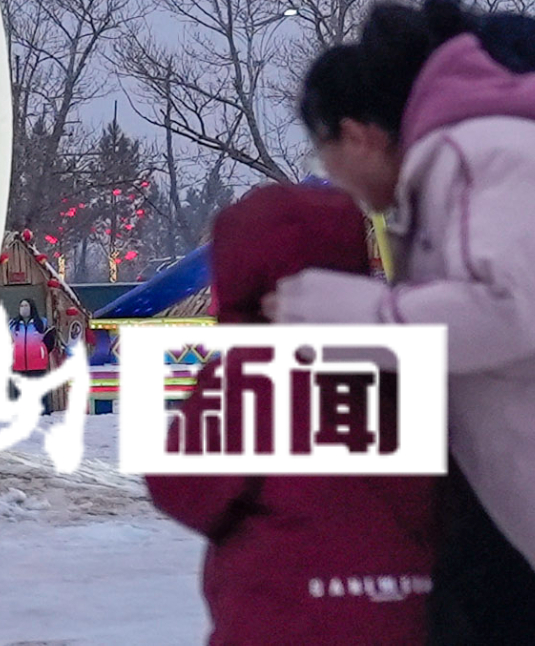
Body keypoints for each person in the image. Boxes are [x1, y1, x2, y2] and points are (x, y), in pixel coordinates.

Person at [269, 0, 535, 645]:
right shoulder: (456, 170)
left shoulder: (494, 153)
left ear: (358, 134)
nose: (332, 179)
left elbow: (504, 310)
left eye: (324, 156)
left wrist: (343, 314)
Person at [146, 184, 433, 645]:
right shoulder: (404, 368)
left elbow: (182, 486)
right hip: (408, 614)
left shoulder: (248, 377)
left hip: (279, 617)